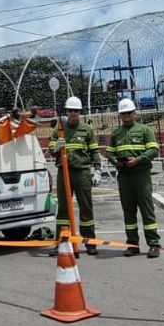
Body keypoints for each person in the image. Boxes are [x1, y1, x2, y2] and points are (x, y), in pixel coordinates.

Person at [107, 98, 161, 258]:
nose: (126, 116)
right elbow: (109, 152)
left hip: (141, 175)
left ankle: (154, 244)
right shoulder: (116, 133)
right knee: (128, 212)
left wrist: (138, 160)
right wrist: (114, 161)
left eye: (129, 113)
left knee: (147, 210)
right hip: (124, 177)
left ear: (135, 113)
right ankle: (132, 244)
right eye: (123, 114)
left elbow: (153, 151)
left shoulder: (145, 130)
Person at [49, 96, 102, 256]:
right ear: (66, 111)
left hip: (82, 172)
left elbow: (94, 151)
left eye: (76, 111)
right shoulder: (59, 128)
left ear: (80, 112)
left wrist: (97, 170)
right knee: (63, 209)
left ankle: (90, 242)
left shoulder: (87, 129)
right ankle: (62, 242)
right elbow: (51, 149)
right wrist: (57, 147)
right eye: (70, 111)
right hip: (63, 172)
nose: (73, 113)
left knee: (86, 208)